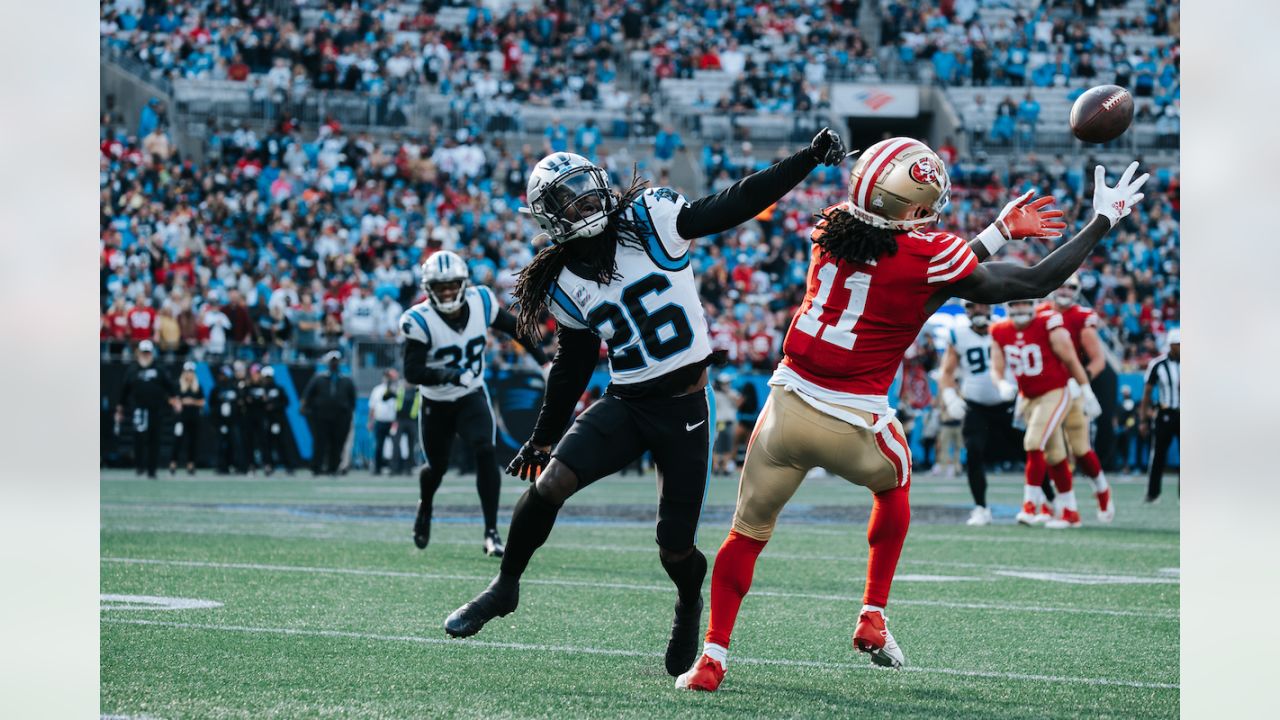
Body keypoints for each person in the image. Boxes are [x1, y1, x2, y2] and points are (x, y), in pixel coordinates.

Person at [677, 141, 1147, 691]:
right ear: (912, 205)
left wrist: (995, 232)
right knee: (895, 486)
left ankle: (711, 658)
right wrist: (1102, 220)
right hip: (856, 423)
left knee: (746, 534)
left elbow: (914, 282)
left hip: (784, 412)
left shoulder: (830, 229)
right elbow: (1028, 283)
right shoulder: (929, 254)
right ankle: (873, 614)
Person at [444, 129, 851, 681]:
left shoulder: (649, 219)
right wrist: (542, 438)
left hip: (684, 407)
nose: (586, 203)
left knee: (675, 549)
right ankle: (504, 585)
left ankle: (688, 606)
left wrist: (804, 158)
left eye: (587, 190)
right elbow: (574, 362)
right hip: (627, 400)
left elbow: (732, 203)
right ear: (551, 216)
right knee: (551, 484)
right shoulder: (562, 281)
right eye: (570, 200)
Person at [400, 250, 550, 557]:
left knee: (485, 448)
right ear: (429, 289)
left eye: (451, 285)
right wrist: (449, 375)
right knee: (436, 468)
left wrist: (543, 362)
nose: (446, 292)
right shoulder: (419, 320)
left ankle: (491, 532)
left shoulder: (481, 301)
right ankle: (425, 505)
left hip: (471, 395)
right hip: (436, 402)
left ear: (463, 284)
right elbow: (412, 372)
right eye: (440, 287)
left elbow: (516, 328)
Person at [991, 299, 1101, 529]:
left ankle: (1030, 505)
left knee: (1032, 441)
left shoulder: (1048, 322)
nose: (1020, 308)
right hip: (1029, 397)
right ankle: (1070, 511)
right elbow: (996, 366)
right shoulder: (999, 329)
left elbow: (1070, 359)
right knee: (1054, 454)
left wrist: (1086, 390)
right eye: (1015, 303)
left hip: (1055, 391)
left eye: (1025, 303)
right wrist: (1001, 383)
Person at [1036, 275, 1115, 521]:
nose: (1065, 290)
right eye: (1061, 284)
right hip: (1045, 387)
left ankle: (1101, 490)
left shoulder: (1081, 317)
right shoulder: (1038, 313)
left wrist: (1082, 383)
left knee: (1080, 448)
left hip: (1072, 387)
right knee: (1048, 446)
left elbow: (1098, 360)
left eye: (1071, 287)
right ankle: (1054, 502)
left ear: (1077, 290)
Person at [938, 301, 1018, 526]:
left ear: (991, 307)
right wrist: (950, 397)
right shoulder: (958, 334)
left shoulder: (1005, 329)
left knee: (1029, 450)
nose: (977, 310)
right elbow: (946, 372)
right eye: (972, 306)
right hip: (975, 405)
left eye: (982, 305)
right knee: (973, 453)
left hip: (1007, 402)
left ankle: (1048, 501)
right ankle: (981, 508)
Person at [116, 340, 178, 479]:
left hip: (156, 409)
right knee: (139, 438)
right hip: (139, 409)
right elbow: (124, 390)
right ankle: (139, 466)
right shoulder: (133, 369)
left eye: (148, 352)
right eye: (143, 352)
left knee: (154, 439)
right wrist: (120, 408)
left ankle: (152, 470)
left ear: (152, 353)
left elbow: (170, 386)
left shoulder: (159, 369)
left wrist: (175, 400)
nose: (146, 355)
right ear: (139, 353)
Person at [1140, 327, 1180, 502]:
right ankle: (1153, 493)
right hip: (1165, 414)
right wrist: (1143, 419)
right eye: (1179, 344)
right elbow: (1147, 392)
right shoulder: (1158, 364)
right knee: (1157, 455)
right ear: (1171, 345)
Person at [301, 351, 356, 475]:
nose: (334, 363)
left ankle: (333, 467)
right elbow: (307, 395)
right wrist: (307, 410)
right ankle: (316, 467)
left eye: (336, 361)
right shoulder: (318, 378)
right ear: (328, 363)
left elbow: (352, 400)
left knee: (337, 443)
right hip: (321, 417)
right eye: (332, 361)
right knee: (320, 442)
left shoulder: (346, 380)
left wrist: (347, 413)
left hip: (340, 417)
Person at [170, 361, 205, 475]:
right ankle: (173, 463)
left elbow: (202, 402)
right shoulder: (178, 385)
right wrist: (181, 402)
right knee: (178, 440)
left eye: (191, 371)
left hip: (193, 417)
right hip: (181, 418)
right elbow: (172, 400)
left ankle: (190, 464)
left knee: (192, 441)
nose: (189, 373)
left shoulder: (197, 386)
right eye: (187, 371)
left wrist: (193, 401)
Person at [211, 365, 246, 474]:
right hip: (221, 421)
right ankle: (222, 467)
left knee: (236, 444)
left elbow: (240, 404)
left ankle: (238, 466)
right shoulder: (216, 389)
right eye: (221, 375)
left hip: (234, 421)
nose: (222, 377)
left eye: (224, 375)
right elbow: (212, 405)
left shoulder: (234, 388)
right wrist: (217, 421)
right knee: (221, 444)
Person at [260, 366, 293, 474]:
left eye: (269, 377)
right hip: (266, 421)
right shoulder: (261, 390)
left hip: (279, 420)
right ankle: (268, 465)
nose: (268, 379)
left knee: (282, 444)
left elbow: (286, 402)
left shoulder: (279, 388)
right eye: (266, 377)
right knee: (267, 445)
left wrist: (274, 406)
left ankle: (288, 466)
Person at [368, 369, 401, 476]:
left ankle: (395, 468)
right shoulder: (377, 390)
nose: (388, 379)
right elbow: (372, 407)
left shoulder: (398, 389)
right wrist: (371, 421)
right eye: (387, 376)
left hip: (393, 422)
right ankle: (377, 468)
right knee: (379, 445)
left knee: (395, 445)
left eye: (390, 377)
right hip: (380, 421)